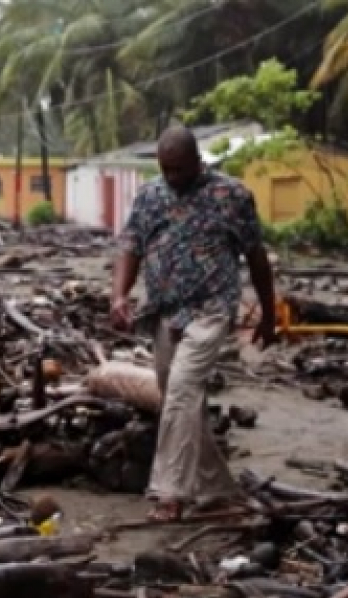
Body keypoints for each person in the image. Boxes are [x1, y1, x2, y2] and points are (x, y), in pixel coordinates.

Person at [110, 126, 278, 522]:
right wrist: (119, 296)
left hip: (212, 309)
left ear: (198, 161)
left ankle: (170, 493)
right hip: (165, 312)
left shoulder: (231, 195)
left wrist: (268, 314)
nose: (173, 178)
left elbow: (256, 257)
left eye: (180, 169)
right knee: (179, 401)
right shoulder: (150, 196)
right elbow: (130, 246)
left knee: (184, 389)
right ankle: (218, 490)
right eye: (166, 169)